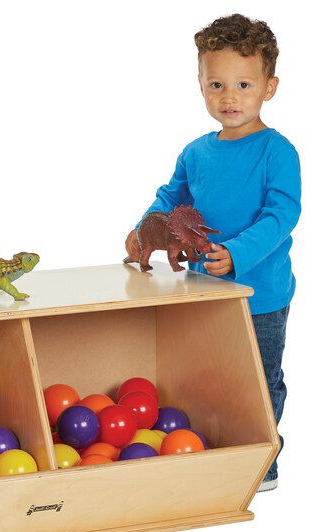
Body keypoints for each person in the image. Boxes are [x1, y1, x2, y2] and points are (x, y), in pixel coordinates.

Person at [125, 14, 301, 491]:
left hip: (259, 294)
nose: (229, 96)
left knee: (258, 380)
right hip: (202, 289)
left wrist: (237, 253)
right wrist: (144, 230)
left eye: (244, 84)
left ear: (270, 87)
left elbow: (280, 216)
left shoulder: (277, 152)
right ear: (200, 85)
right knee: (206, 377)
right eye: (217, 84)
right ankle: (211, 451)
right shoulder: (196, 151)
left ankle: (264, 461)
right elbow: (169, 199)